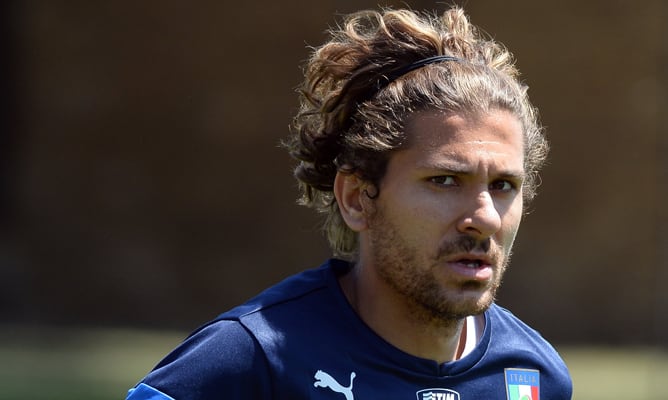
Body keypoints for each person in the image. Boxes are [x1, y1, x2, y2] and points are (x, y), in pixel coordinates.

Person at [127, 6, 572, 399]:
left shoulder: (535, 376)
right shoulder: (252, 359)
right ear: (357, 198)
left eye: (503, 186)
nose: (484, 218)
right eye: (445, 180)